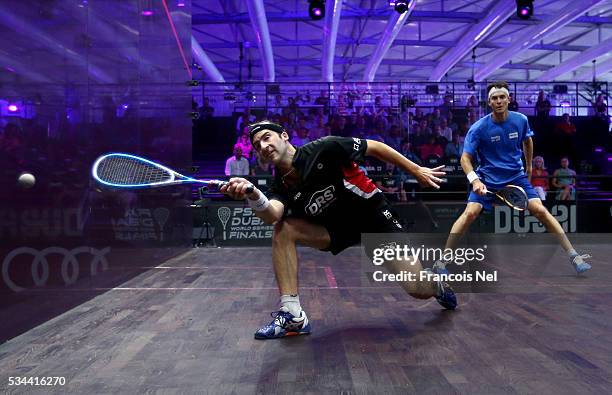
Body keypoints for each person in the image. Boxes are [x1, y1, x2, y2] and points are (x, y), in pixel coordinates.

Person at [221, 120, 456, 340]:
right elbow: (272, 214)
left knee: (417, 288)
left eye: (266, 137)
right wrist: (252, 195)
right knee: (283, 229)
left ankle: (437, 283)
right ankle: (293, 315)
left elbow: (373, 146)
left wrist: (415, 169)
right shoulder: (278, 185)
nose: (263, 146)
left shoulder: (325, 148)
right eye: (257, 145)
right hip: (335, 229)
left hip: (373, 220)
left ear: (284, 136)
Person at [433, 81, 591, 276]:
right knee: (469, 214)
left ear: (509, 99)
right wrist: (475, 180)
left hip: (516, 178)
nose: (498, 101)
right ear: (489, 102)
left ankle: (574, 256)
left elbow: (527, 140)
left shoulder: (521, 120)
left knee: (541, 210)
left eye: (502, 97)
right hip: (487, 179)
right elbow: (465, 158)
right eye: (494, 98)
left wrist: (530, 165)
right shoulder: (478, 128)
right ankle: (441, 263)